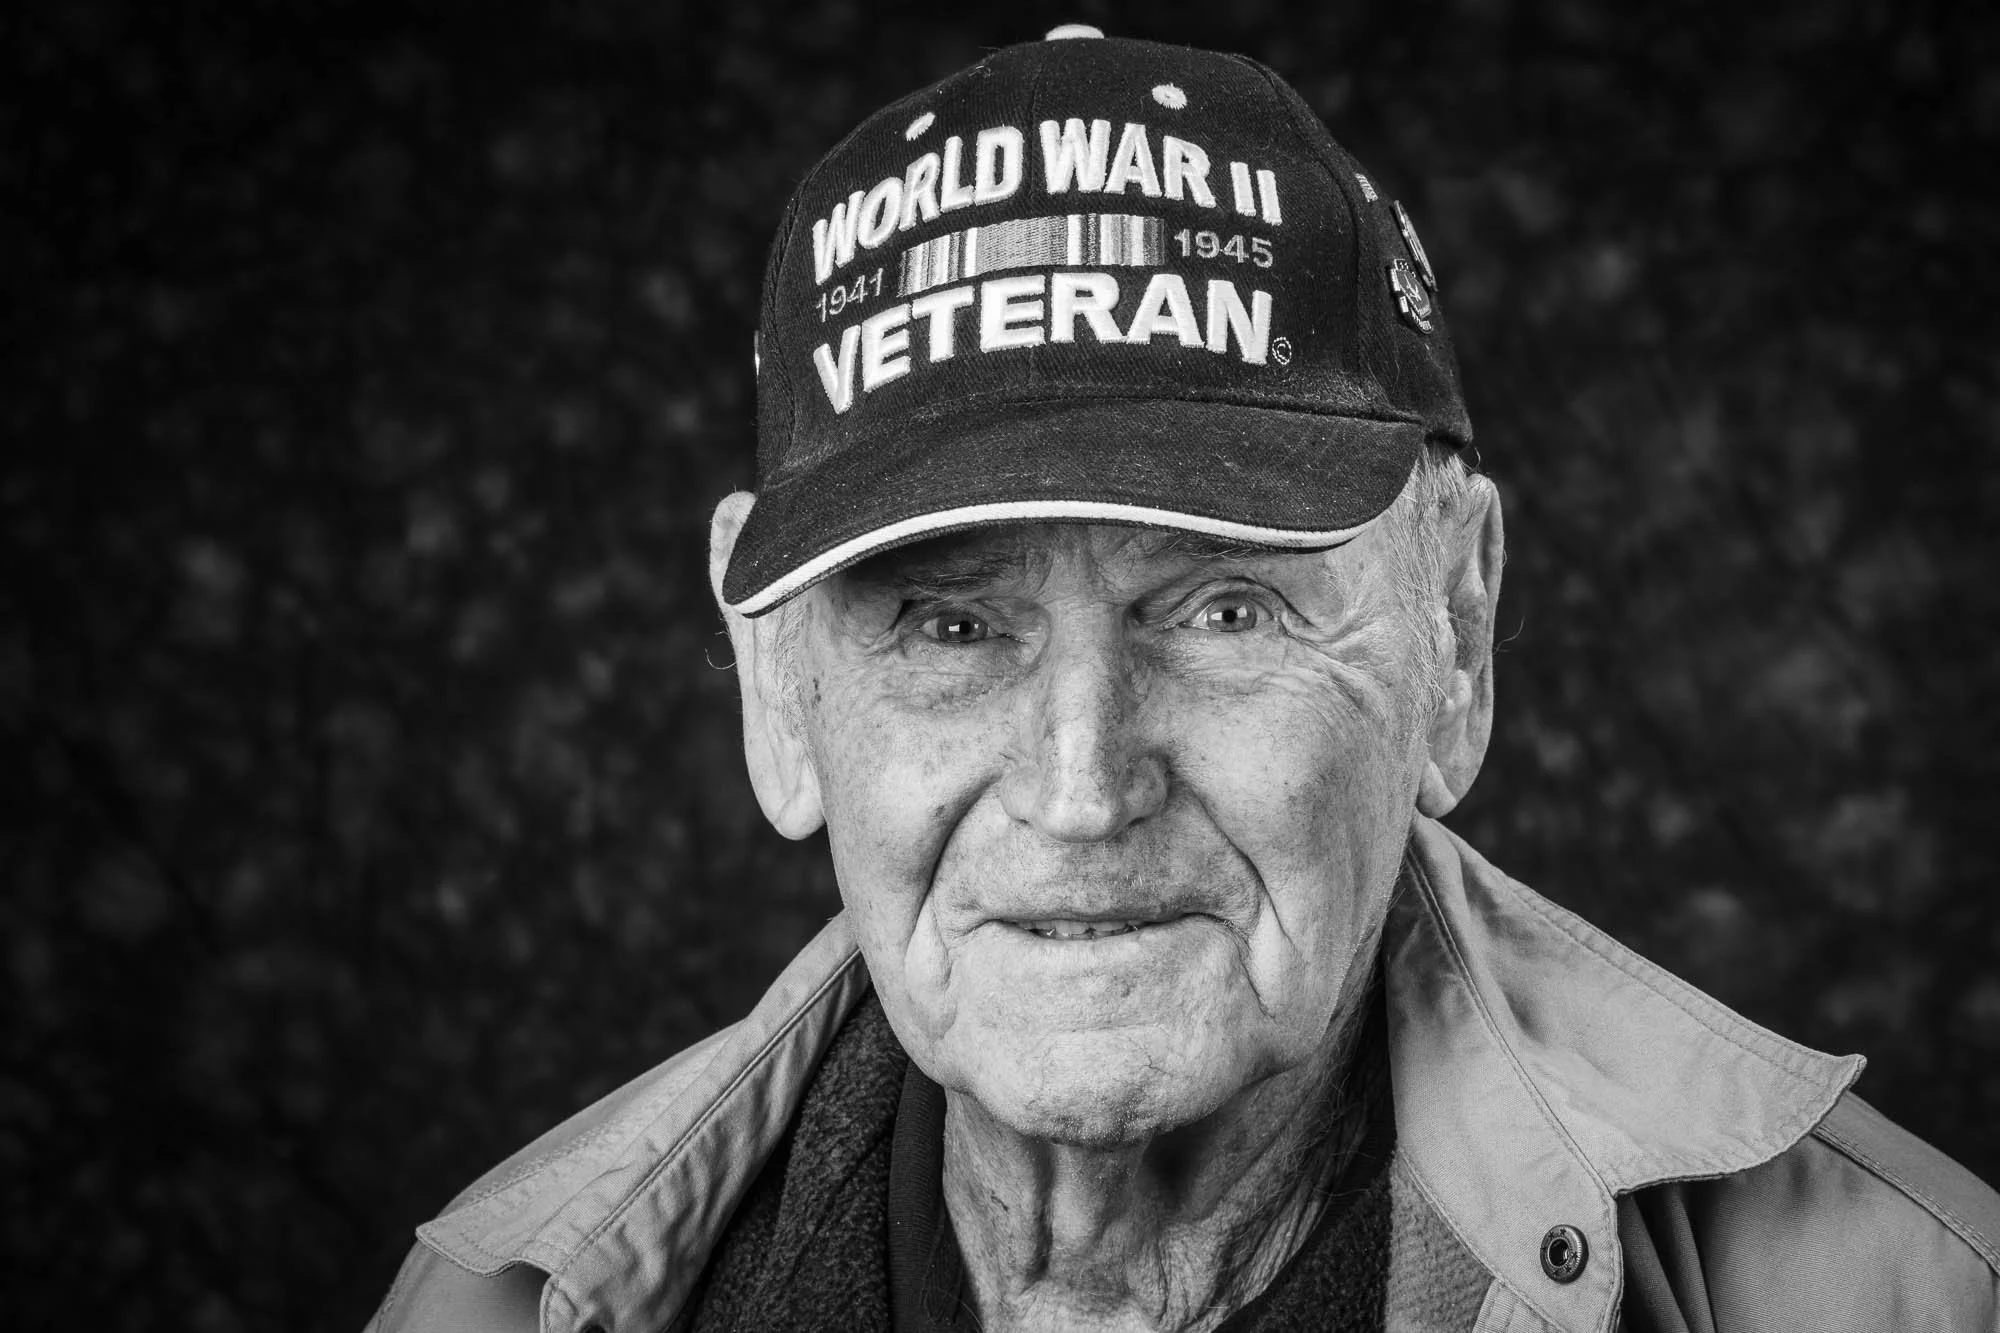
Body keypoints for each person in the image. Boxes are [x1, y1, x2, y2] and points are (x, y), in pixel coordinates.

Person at [369, 26, 2000, 1333]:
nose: (1083, 790)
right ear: (777, 690)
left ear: (1455, 627)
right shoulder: (503, 1303)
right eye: (950, 625)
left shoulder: (1905, 1300)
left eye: (1222, 611)